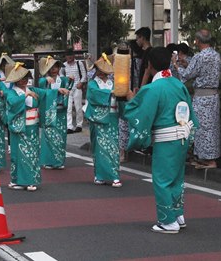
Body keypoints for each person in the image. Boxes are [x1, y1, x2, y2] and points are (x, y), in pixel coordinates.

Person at [124, 47, 198, 234]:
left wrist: (132, 99)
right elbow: (190, 111)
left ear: (149, 65)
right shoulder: (177, 84)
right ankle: (177, 214)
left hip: (166, 139)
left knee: (162, 179)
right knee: (176, 178)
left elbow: (139, 113)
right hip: (183, 135)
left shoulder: (153, 88)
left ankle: (168, 222)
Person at [6, 63, 69, 191]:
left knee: (32, 153)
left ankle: (30, 180)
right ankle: (18, 180)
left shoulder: (33, 90)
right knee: (20, 155)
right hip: (20, 128)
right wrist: (24, 96)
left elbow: (46, 93)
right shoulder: (12, 92)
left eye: (26, 78)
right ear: (16, 80)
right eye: (21, 78)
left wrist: (57, 90)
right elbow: (12, 104)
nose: (24, 80)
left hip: (32, 127)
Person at [176, 29, 221, 169]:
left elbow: (187, 75)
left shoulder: (200, 56)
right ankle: (207, 158)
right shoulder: (216, 55)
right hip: (213, 96)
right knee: (211, 128)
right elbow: (199, 71)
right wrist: (187, 64)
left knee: (201, 127)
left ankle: (208, 159)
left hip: (202, 97)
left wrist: (177, 65)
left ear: (198, 41)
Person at [84, 53, 121, 187]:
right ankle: (99, 175)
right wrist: (110, 93)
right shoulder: (93, 84)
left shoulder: (113, 83)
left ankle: (115, 175)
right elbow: (93, 95)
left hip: (112, 117)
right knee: (99, 146)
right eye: (98, 69)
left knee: (113, 146)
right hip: (99, 118)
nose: (101, 72)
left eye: (103, 69)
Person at [38, 56, 71, 170]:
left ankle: (59, 161)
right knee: (49, 136)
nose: (54, 69)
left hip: (60, 110)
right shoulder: (44, 80)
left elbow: (69, 87)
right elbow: (41, 92)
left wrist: (70, 80)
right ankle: (48, 161)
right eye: (52, 67)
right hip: (49, 112)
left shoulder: (62, 80)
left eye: (56, 67)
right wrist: (55, 90)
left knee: (60, 135)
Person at [62, 48, 86, 134]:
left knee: (78, 107)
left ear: (74, 55)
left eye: (71, 55)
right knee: (68, 108)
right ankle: (69, 126)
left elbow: (84, 75)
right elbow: (61, 76)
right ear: (65, 56)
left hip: (77, 88)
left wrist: (81, 82)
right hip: (67, 89)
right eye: (67, 55)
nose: (69, 57)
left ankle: (79, 125)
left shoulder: (79, 64)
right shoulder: (63, 65)